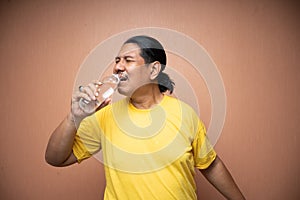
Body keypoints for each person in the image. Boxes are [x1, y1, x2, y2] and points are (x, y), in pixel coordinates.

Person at [45, 35, 245, 199]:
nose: (118, 67)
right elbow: (55, 159)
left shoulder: (185, 114)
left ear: (154, 69)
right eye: (116, 61)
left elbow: (211, 165)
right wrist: (74, 117)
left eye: (128, 60)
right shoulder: (105, 116)